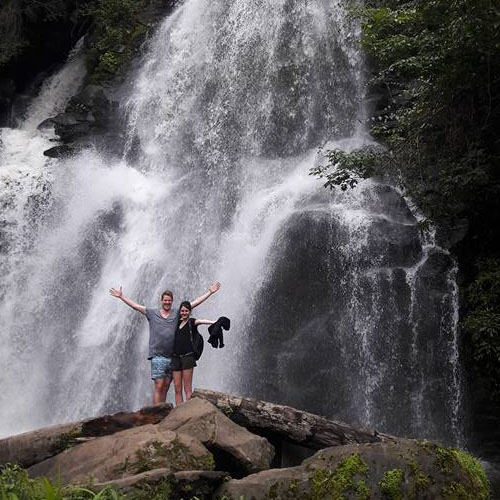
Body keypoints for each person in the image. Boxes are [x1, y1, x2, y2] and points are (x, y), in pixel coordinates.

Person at [109, 282, 220, 405]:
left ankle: (162, 411)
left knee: (167, 385)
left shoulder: (177, 313)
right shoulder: (152, 313)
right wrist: (121, 296)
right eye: (165, 300)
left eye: (169, 300)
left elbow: (193, 304)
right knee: (159, 384)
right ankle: (156, 412)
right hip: (157, 355)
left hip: (173, 356)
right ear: (161, 301)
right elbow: (136, 306)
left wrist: (210, 292)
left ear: (172, 302)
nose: (167, 302)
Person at [172, 301, 215, 405]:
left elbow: (201, 321)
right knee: (177, 388)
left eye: (186, 311)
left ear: (190, 312)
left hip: (188, 358)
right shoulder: (176, 322)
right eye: (182, 311)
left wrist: (214, 322)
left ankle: (189, 411)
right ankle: (178, 412)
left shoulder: (191, 322)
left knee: (187, 388)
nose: (184, 313)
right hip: (175, 358)